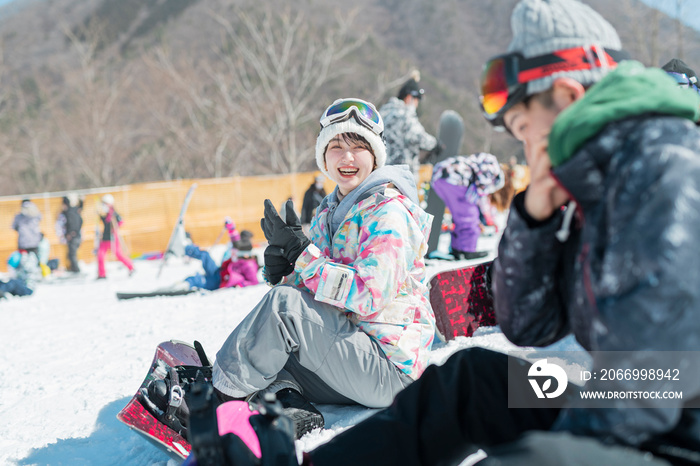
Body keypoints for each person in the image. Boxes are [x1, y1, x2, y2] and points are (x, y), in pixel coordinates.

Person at [186, 1, 700, 465]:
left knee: (540, 457)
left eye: (524, 131)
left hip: (677, 418)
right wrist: (536, 216)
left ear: (567, 97)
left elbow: (658, 380)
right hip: (625, 392)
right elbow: (529, 324)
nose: (524, 151)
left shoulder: (666, 171)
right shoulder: (588, 181)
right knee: (468, 381)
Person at [148, 97, 435, 441]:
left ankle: (213, 402)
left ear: (375, 155)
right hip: (353, 349)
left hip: (389, 366)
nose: (347, 157)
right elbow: (318, 291)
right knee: (267, 352)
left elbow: (367, 296)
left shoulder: (388, 213)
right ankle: (293, 406)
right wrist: (286, 273)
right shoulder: (333, 210)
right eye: (336, 146)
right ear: (323, 156)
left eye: (359, 147)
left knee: (284, 310)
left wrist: (303, 258)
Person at [430, 152, 505, 260]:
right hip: (454, 178)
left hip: (439, 176)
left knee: (460, 217)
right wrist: (487, 216)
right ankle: (466, 250)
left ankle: (457, 248)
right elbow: (481, 194)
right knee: (469, 216)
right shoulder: (492, 171)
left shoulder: (479, 162)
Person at [380, 70, 440, 178]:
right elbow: (418, 136)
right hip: (400, 176)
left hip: (382, 172)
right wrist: (435, 145)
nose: (417, 105)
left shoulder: (384, 112)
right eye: (417, 100)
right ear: (409, 98)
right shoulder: (404, 114)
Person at [180, 220, 259, 291]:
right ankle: (184, 248)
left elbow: (254, 282)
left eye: (236, 253)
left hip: (219, 281)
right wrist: (231, 229)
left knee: (198, 280)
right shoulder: (240, 258)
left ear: (245, 254)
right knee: (205, 255)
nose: (233, 254)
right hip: (218, 272)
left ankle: (185, 285)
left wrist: (241, 285)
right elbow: (235, 242)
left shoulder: (249, 265)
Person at [96, 194, 134, 279]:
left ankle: (131, 267)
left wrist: (115, 228)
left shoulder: (114, 214)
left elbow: (121, 221)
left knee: (118, 254)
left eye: (105, 203)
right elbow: (105, 222)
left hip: (112, 238)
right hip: (105, 237)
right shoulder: (105, 213)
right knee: (100, 255)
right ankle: (102, 274)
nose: (104, 205)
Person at [56, 193, 84, 273]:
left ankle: (76, 270)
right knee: (71, 254)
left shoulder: (68, 213)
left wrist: (71, 233)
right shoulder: (75, 210)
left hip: (73, 235)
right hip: (77, 235)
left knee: (72, 254)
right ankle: (72, 268)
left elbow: (72, 223)